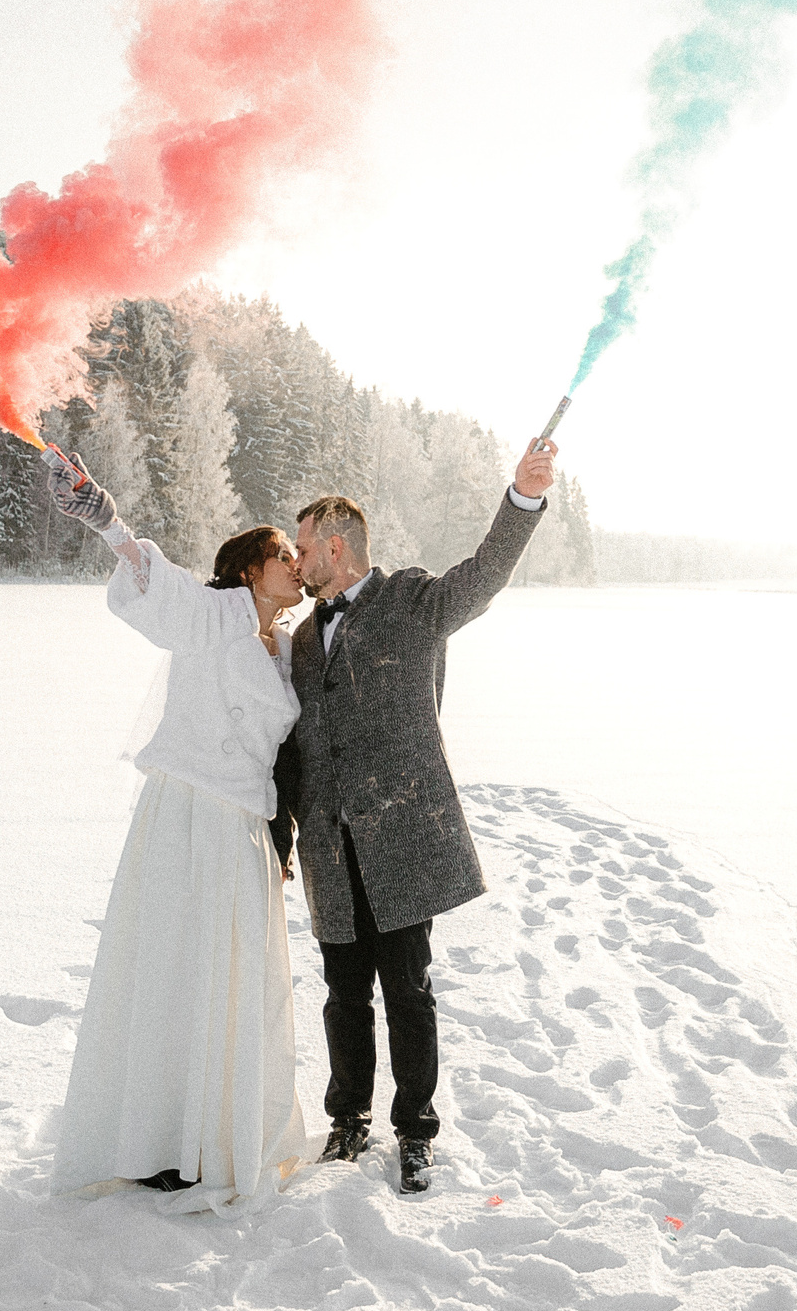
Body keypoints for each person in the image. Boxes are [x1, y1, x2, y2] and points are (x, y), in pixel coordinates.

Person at [272, 436, 558, 1194]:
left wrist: (522, 497)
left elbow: (486, 574)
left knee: (408, 992)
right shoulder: (302, 638)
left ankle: (415, 1130)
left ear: (337, 545)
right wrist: (283, 834)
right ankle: (348, 1121)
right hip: (332, 850)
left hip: (400, 838)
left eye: (303, 548)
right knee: (342, 996)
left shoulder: (412, 602)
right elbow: (294, 745)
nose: (296, 562)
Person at [44, 450, 311, 1215]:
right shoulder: (213, 615)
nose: (295, 566)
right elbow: (154, 588)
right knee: (173, 973)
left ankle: (220, 1135)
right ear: (249, 571)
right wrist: (107, 520)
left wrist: (287, 838)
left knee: (233, 980)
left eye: (297, 557)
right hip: (187, 819)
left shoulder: (287, 649)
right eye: (282, 555)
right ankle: (160, 1142)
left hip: (245, 831)